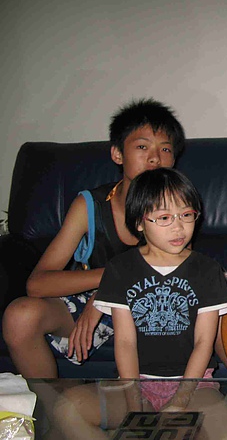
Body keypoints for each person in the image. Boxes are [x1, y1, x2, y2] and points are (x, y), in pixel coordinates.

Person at [2, 98, 186, 378]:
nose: (154, 158)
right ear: (117, 154)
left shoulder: (179, 206)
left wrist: (107, 294)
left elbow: (175, 272)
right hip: (90, 299)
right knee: (20, 316)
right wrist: (107, 281)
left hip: (151, 305)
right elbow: (37, 284)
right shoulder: (90, 206)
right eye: (142, 147)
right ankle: (52, 402)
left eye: (165, 149)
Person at [52, 168, 227, 439]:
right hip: (135, 383)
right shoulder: (120, 269)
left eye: (186, 215)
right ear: (140, 222)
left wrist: (180, 402)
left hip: (194, 384)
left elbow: (203, 343)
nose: (178, 227)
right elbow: (125, 343)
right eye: (164, 218)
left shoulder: (208, 270)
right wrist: (134, 409)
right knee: (67, 408)